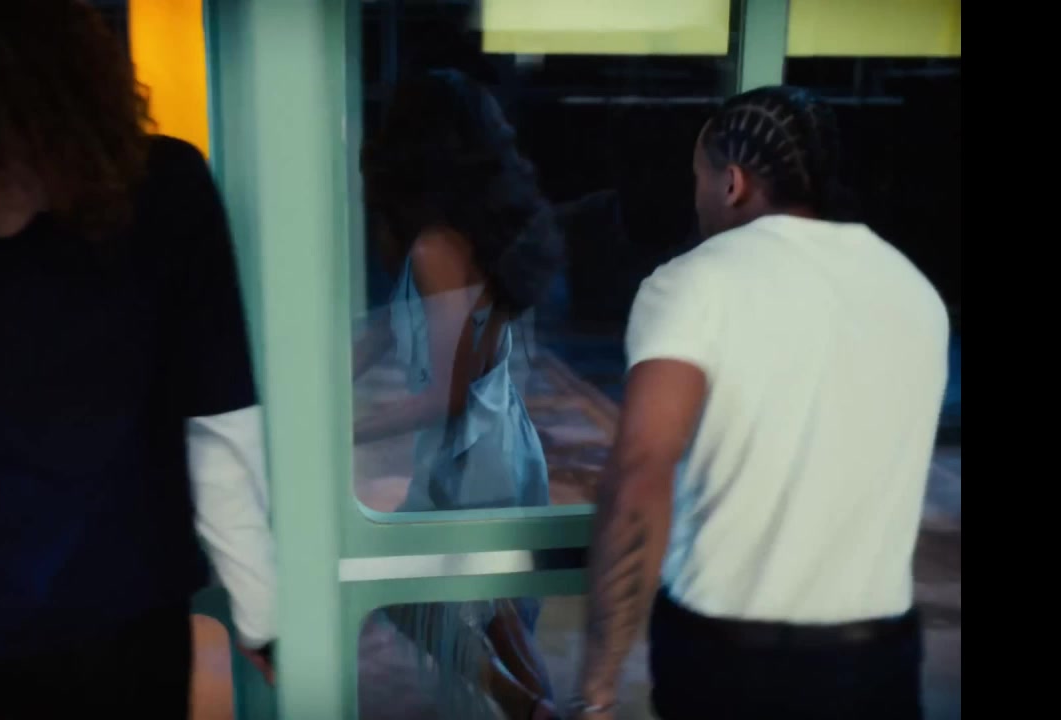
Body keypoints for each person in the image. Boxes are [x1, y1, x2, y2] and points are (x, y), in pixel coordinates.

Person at [0, 1, 276, 717]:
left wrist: (263, 613)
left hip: (127, 627)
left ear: (50, 108)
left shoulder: (161, 193)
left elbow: (217, 417)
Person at [566, 86, 948, 720]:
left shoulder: (696, 282)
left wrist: (597, 687)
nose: (696, 197)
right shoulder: (912, 290)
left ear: (732, 182)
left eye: (698, 177)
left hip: (734, 664)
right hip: (879, 661)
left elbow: (638, 479)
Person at [354, 69, 563, 719]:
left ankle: (530, 707)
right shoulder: (473, 236)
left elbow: (447, 396)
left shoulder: (435, 246)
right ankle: (535, 707)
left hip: (471, 461)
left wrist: (344, 431)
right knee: (491, 617)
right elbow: (398, 326)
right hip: (495, 448)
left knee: (407, 589)